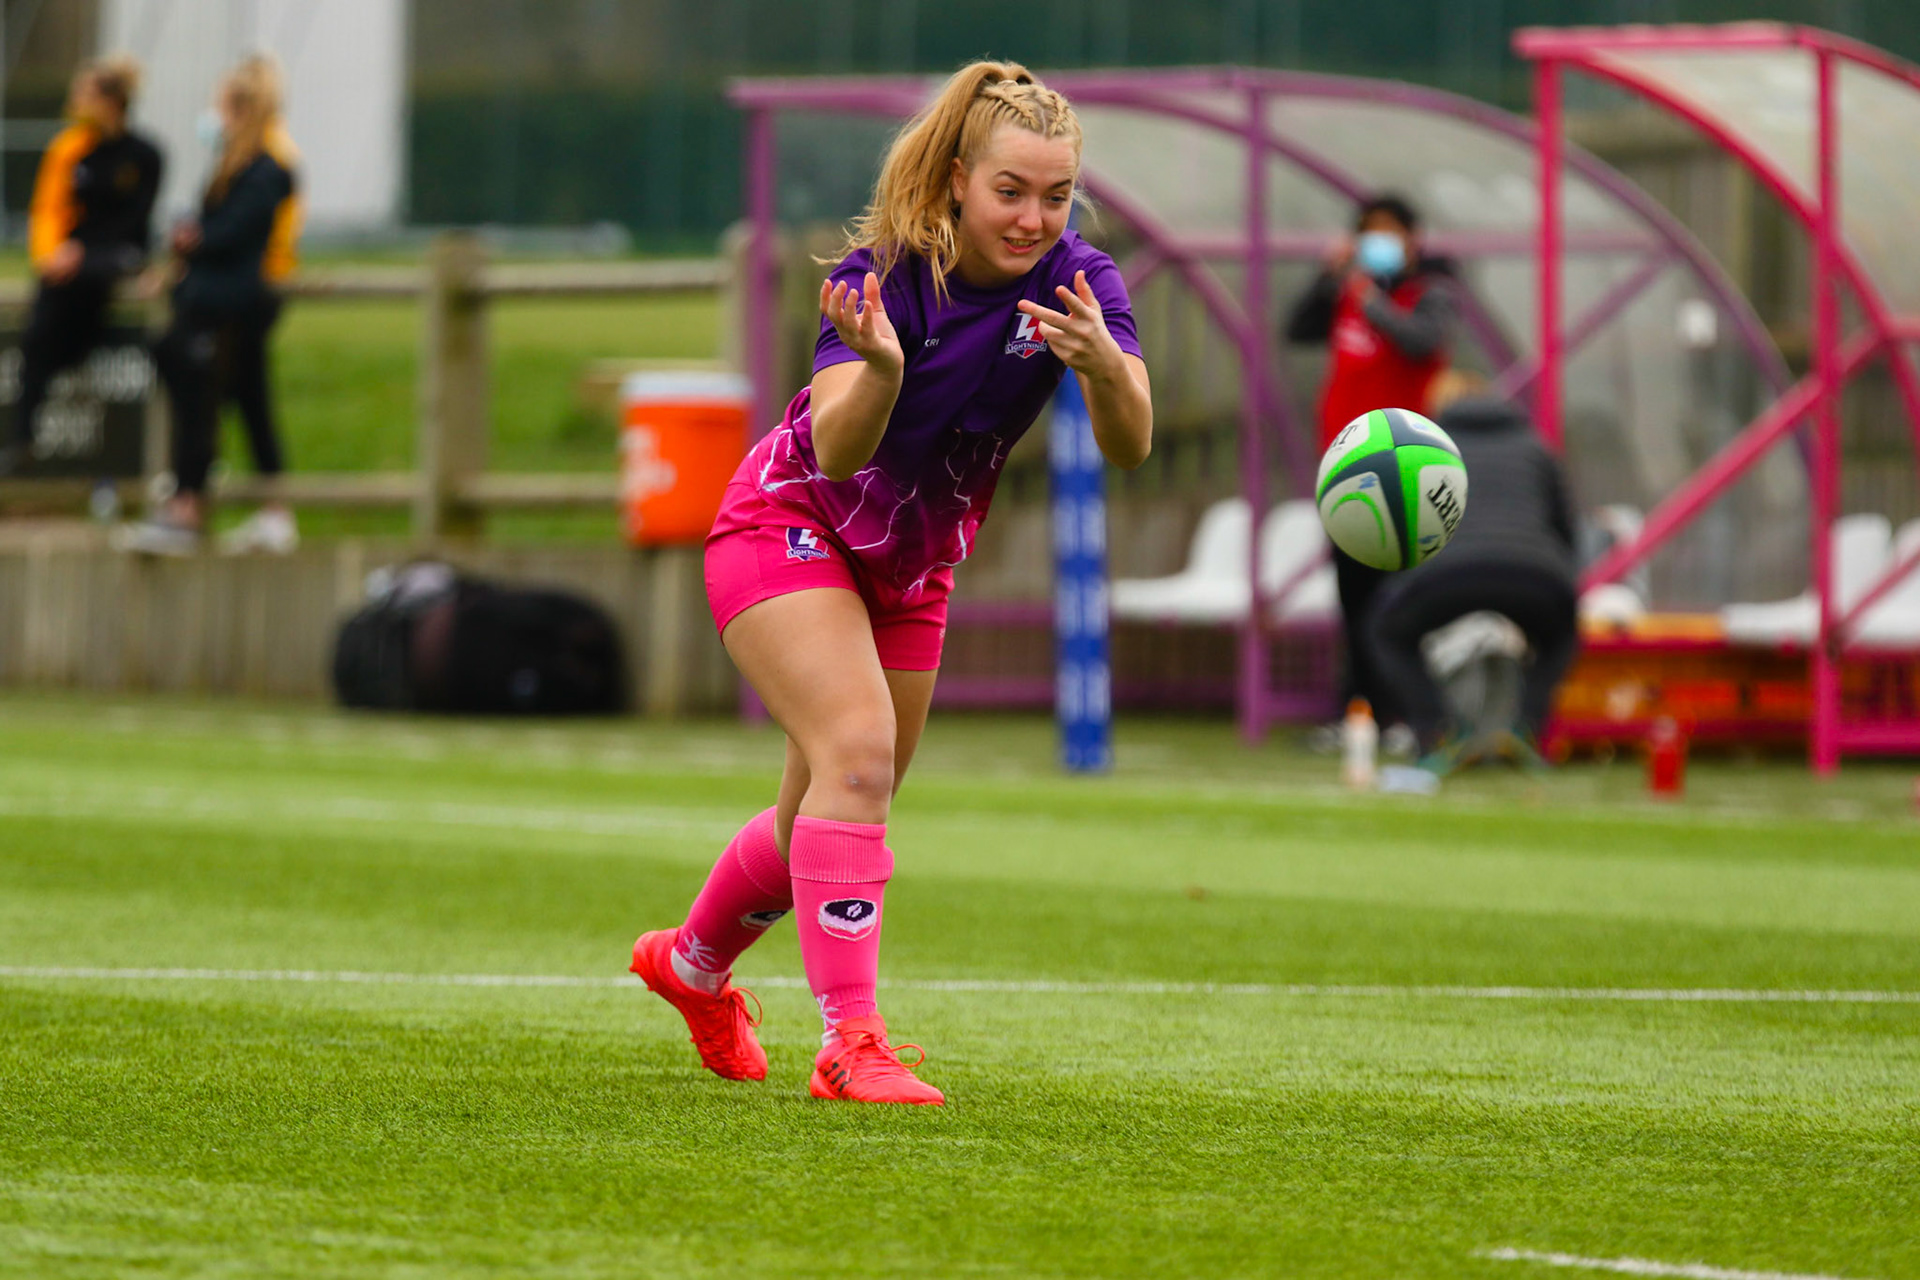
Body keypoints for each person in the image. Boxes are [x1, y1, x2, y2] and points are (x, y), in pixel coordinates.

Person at [628, 60, 1152, 1106]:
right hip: (787, 524)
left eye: (1057, 195)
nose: (1036, 216)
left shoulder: (1081, 282)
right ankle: (852, 1041)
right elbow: (830, 450)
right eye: (1012, 190)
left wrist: (1101, 362)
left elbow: (1131, 441)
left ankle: (690, 967)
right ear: (959, 177)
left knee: (828, 815)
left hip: (912, 569)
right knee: (858, 758)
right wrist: (882, 367)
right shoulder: (888, 274)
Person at [118, 55, 302, 556]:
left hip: (226, 312)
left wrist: (193, 240)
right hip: (217, 304)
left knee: (201, 407)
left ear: (241, 109)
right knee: (250, 406)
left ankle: (187, 508)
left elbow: (229, 237)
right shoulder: (233, 167)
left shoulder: (265, 171)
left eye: (220, 106)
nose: (213, 116)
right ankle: (272, 511)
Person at [1284, 193, 1455, 734]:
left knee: (1401, 600)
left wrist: (1368, 298)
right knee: (1354, 597)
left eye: (1387, 231)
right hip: (1347, 473)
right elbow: (1296, 329)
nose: (1376, 243)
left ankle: (1407, 713)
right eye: (1367, 232)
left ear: (1412, 238)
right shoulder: (1346, 294)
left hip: (1406, 474)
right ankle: (1358, 713)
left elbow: (1421, 343)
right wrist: (1328, 277)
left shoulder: (1429, 294)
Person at [1365, 386, 1580, 772]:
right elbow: (1566, 532)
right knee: (1561, 633)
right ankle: (1525, 728)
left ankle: (1436, 732)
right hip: (1535, 572)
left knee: (1386, 632)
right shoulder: (1537, 449)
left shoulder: (1426, 451)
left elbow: (1400, 525)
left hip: (1443, 572)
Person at [0, 55, 162, 477]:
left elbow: (134, 224)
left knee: (94, 281)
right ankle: (23, 438)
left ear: (110, 101)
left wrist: (84, 255)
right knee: (41, 329)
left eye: (84, 93)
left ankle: (77, 347)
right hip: (75, 263)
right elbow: (49, 211)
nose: (74, 101)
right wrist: (53, 255)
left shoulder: (145, 156)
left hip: (116, 256)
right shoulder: (71, 149)